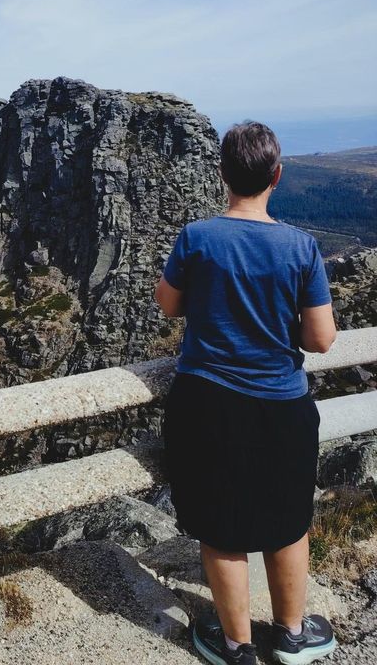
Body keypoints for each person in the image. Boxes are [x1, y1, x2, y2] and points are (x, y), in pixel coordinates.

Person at [155, 120, 339, 665]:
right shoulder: (301, 247)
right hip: (282, 404)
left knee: (221, 528)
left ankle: (235, 646)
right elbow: (321, 339)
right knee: (289, 523)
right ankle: (291, 636)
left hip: (207, 402)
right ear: (276, 176)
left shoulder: (197, 237)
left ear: (222, 174)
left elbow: (168, 303)